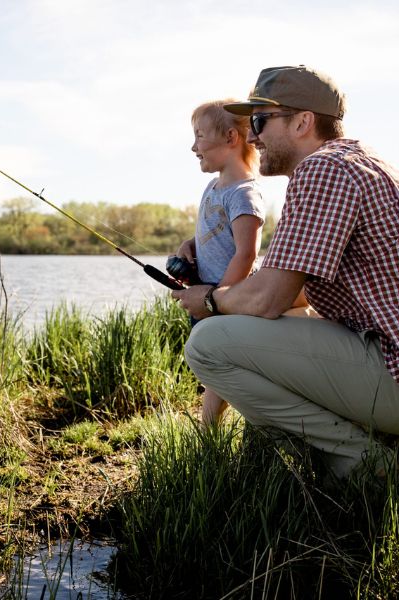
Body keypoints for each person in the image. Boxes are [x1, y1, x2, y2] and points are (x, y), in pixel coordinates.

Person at [171, 65, 399, 480]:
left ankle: (366, 467)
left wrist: (210, 300)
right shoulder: (358, 164)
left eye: (260, 121)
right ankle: (393, 441)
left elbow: (267, 297)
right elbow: (292, 292)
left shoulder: (324, 170)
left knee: (208, 344)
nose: (252, 137)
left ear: (303, 122)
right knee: (277, 320)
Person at [171, 99, 265, 426]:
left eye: (200, 136)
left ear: (230, 138)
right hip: (205, 296)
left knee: (220, 368)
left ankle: (211, 432)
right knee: (213, 368)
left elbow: (246, 253)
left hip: (224, 301)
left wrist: (218, 299)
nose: (194, 146)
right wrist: (189, 245)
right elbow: (214, 233)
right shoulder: (213, 187)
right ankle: (208, 432)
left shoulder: (244, 194)